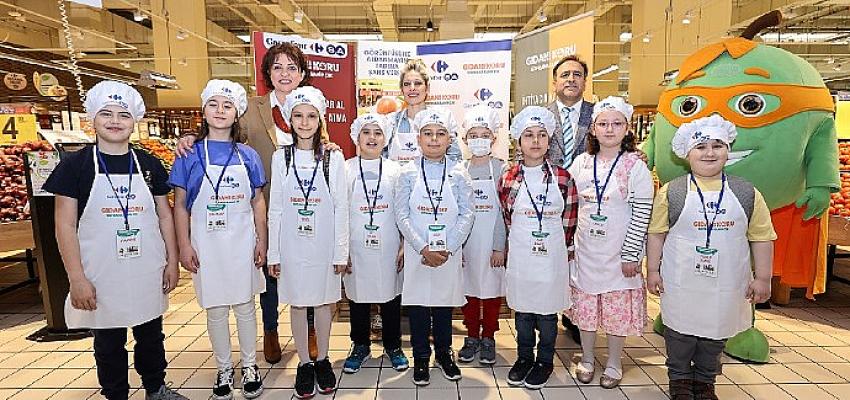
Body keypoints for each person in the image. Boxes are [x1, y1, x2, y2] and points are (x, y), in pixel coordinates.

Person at [176, 43, 333, 363]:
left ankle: (310, 331)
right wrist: (193, 137)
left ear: (302, 74)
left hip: (306, 207)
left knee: (308, 268)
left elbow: (320, 144)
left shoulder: (310, 105)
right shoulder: (251, 107)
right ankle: (271, 331)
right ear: (268, 74)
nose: (285, 74)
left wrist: (329, 147)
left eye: (292, 67)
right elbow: (225, 134)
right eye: (278, 67)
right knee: (269, 272)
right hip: (266, 204)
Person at [45, 81, 187, 400]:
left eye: (123, 115)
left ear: (134, 121)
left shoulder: (148, 164)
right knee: (108, 342)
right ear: (92, 119)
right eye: (106, 113)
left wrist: (172, 261)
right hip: (101, 272)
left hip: (146, 268)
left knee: (151, 334)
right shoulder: (75, 166)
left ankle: (155, 387)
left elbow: (165, 216)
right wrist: (77, 278)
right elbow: (64, 225)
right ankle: (116, 394)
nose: (114, 121)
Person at [645, 115, 775, 400]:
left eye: (718, 145)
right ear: (687, 153)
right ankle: (679, 378)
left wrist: (763, 277)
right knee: (679, 332)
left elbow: (762, 236)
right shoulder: (673, 191)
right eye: (701, 147)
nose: (709, 153)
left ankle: (705, 380)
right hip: (681, 279)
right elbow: (656, 233)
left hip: (727, 281)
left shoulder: (746, 192)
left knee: (716, 331)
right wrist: (652, 270)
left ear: (728, 151)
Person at [169, 80, 266, 400]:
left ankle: (250, 365)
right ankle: (224, 368)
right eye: (214, 104)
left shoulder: (248, 155)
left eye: (227, 105)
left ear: (237, 113)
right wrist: (184, 245)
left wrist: (262, 240)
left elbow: (258, 202)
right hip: (206, 243)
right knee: (215, 309)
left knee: (245, 306)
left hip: (242, 241)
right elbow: (180, 205)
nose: (220, 110)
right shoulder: (188, 154)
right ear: (204, 110)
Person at [267, 86, 349, 399]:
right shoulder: (281, 157)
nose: (304, 122)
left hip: (324, 245)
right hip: (292, 246)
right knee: (298, 303)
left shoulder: (333, 157)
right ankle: (304, 362)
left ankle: (323, 358)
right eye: (298, 116)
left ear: (320, 120)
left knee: (324, 302)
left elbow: (341, 207)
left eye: (311, 116)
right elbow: (275, 208)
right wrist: (274, 253)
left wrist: (340, 251)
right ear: (290, 120)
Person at [567, 97, 653, 389]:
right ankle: (587, 358)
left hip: (619, 254)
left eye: (616, 123)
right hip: (585, 251)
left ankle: (615, 362)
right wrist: (570, 247)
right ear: (593, 129)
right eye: (603, 124)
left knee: (617, 311)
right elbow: (571, 204)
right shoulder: (581, 163)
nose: (609, 129)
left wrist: (631, 254)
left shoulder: (635, 166)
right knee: (587, 310)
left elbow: (642, 212)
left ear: (627, 128)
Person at [498, 106, 577, 390]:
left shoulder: (563, 177)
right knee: (522, 312)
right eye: (528, 135)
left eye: (541, 135)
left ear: (549, 140)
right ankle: (523, 358)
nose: (535, 141)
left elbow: (570, 221)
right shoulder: (508, 177)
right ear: (518, 141)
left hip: (552, 256)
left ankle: (544, 361)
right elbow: (506, 218)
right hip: (521, 254)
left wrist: (559, 250)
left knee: (546, 313)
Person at [395, 107, 474, 386]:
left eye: (440, 134)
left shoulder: (459, 173)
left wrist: (448, 248)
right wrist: (422, 248)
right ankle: (420, 356)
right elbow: (401, 214)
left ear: (449, 139)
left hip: (447, 252)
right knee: (418, 305)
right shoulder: (407, 172)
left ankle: (443, 354)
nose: (434, 139)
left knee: (443, 304)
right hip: (418, 251)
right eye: (427, 133)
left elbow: (467, 213)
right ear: (418, 138)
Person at [341, 112, 409, 374]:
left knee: (390, 297)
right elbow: (338, 211)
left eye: (378, 133)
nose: (372, 138)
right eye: (366, 132)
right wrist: (342, 249)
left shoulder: (396, 171)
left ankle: (393, 346)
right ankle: (360, 345)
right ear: (356, 137)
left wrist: (403, 244)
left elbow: (403, 210)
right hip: (355, 245)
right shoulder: (345, 169)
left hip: (389, 245)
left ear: (386, 138)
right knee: (357, 299)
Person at [545, 55, 595, 344]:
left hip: (589, 198)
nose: (571, 79)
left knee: (581, 256)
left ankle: (577, 316)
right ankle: (548, 313)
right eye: (565, 75)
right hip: (548, 198)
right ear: (554, 82)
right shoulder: (541, 115)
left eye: (577, 74)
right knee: (552, 253)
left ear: (585, 82)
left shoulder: (597, 114)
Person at [456, 104, 507, 365]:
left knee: (491, 290)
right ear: (465, 139)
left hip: (492, 244)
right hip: (466, 244)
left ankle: (488, 336)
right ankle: (472, 335)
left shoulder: (502, 169)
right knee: (469, 291)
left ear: (493, 138)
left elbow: (503, 212)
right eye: (473, 135)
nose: (479, 140)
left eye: (484, 135)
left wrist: (499, 246)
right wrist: (457, 246)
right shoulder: (459, 169)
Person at [385, 59, 462, 165]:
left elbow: (455, 158)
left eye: (417, 83)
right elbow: (382, 161)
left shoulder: (443, 117)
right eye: (407, 84)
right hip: (398, 176)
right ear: (402, 90)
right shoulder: (391, 121)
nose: (412, 88)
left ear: (427, 88)